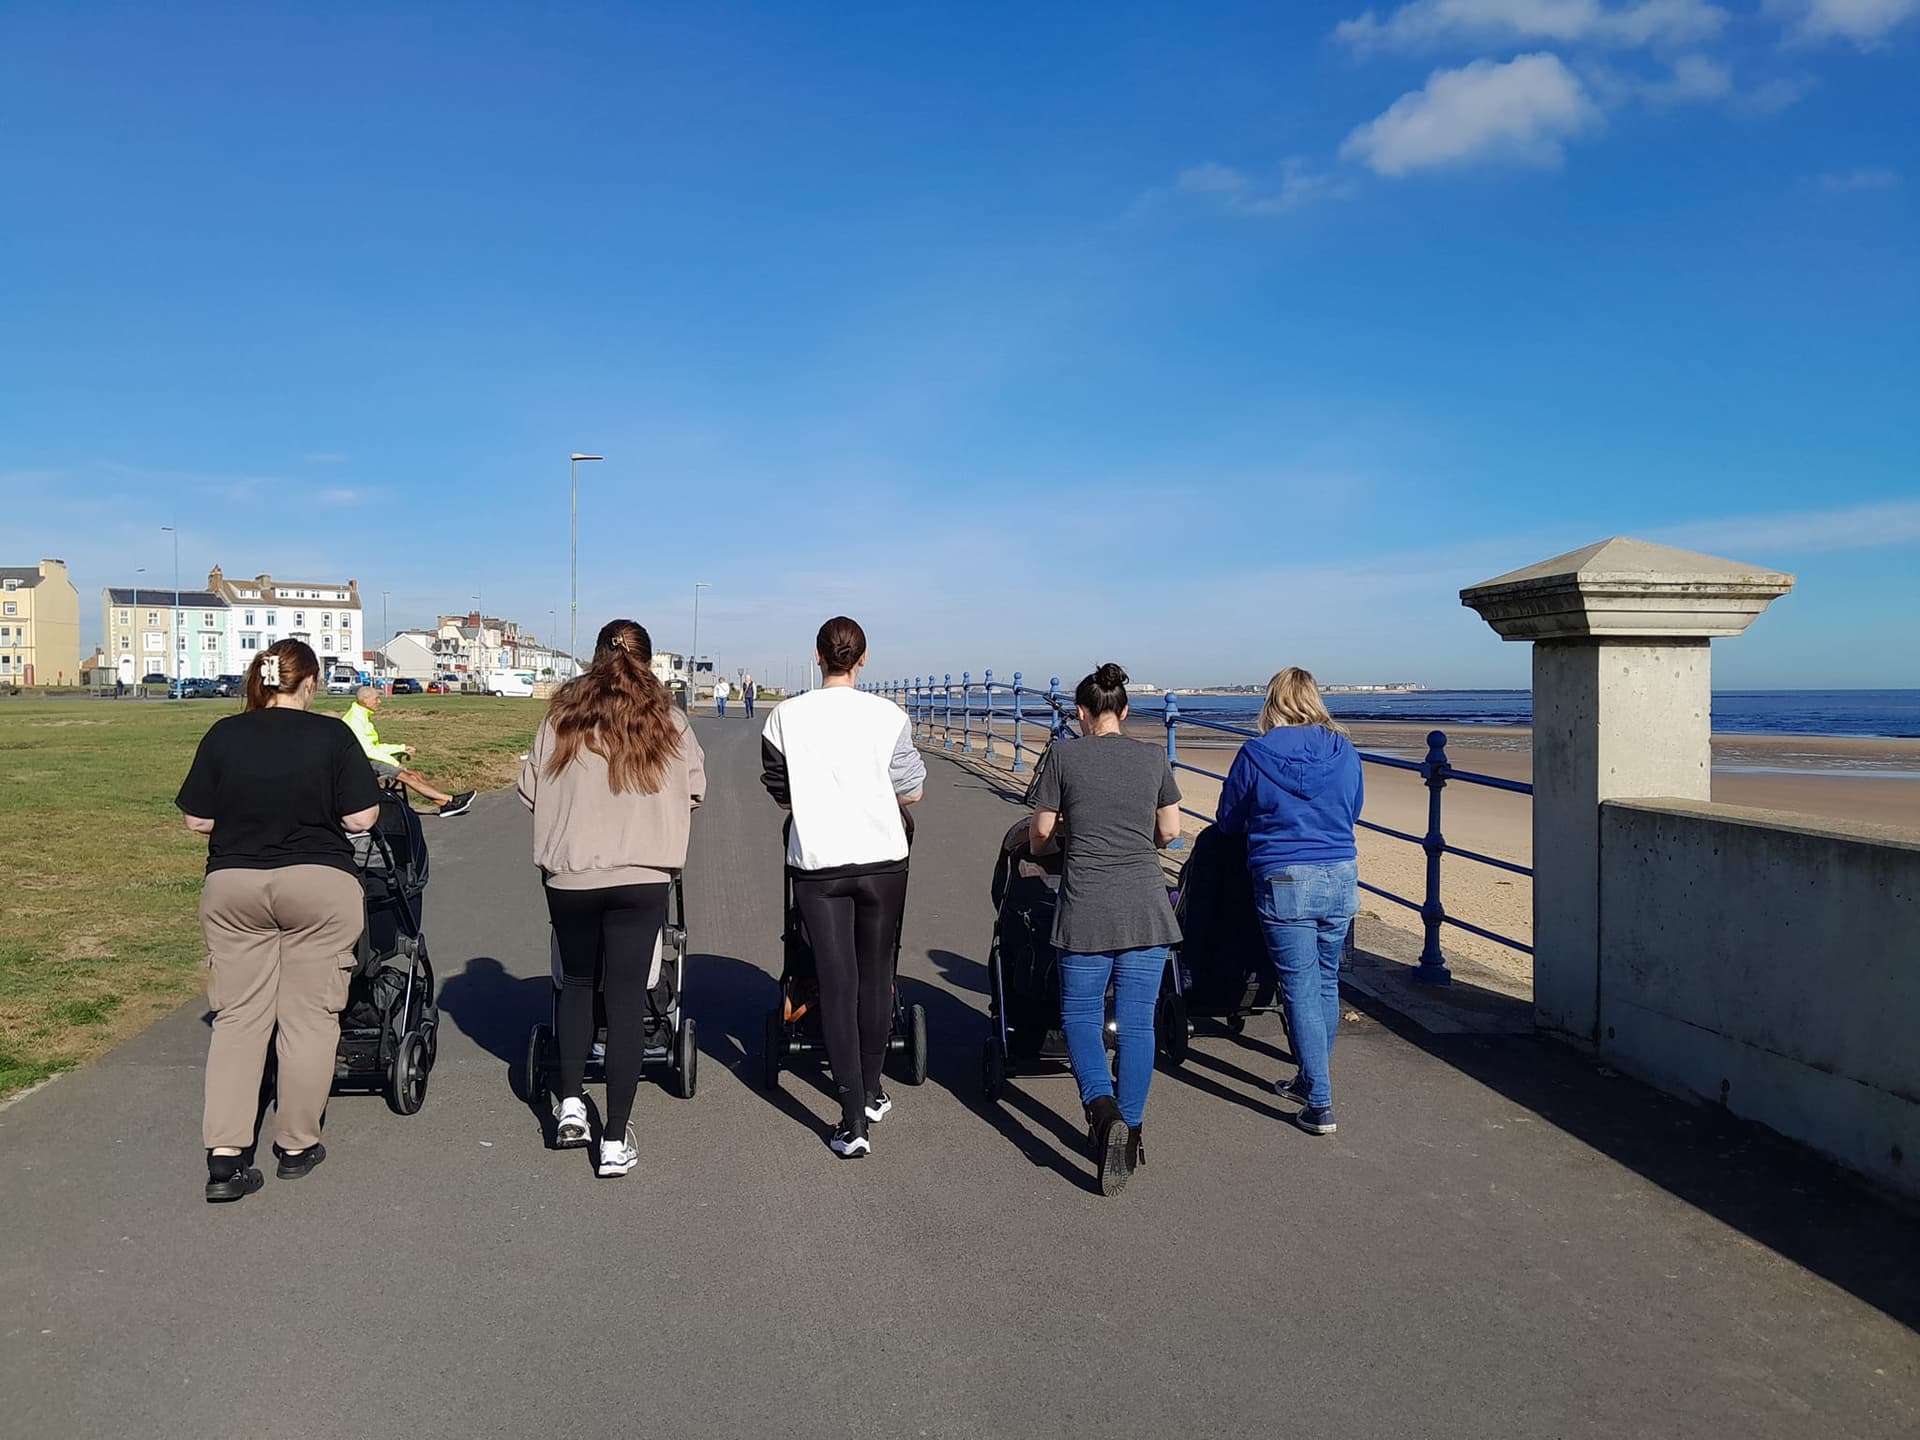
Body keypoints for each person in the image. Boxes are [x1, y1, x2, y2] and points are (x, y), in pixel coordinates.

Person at [176, 639, 383, 1203]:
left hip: (235, 884)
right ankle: (295, 1144)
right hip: (317, 883)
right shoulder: (331, 736)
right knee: (310, 1019)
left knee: (239, 1019)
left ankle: (225, 1155)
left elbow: (198, 819)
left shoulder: (224, 733)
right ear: (309, 684)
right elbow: (361, 817)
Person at [518, 620, 706, 1177]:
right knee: (625, 999)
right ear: (648, 661)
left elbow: (531, 790)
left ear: (595, 655)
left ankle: (571, 1102)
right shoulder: (668, 720)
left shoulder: (561, 716)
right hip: (642, 872)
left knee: (576, 984)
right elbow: (694, 788)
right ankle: (615, 1141)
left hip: (572, 871)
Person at [760, 616, 924, 1158]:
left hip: (820, 864)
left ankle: (853, 1122)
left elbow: (780, 791)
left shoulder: (785, 717)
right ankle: (873, 1091)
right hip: (884, 860)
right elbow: (913, 790)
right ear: (864, 658)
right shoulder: (889, 716)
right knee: (877, 977)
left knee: (836, 982)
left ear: (817, 655)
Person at [1028, 662, 1181, 1196]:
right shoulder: (1152, 756)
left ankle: (1101, 1109)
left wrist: (1060, 840)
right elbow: (1170, 831)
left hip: (1088, 907)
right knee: (1138, 1025)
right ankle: (1131, 1131)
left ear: (1081, 713)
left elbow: (1041, 833)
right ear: (1125, 710)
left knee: (1081, 1017)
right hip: (1146, 905)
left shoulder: (1064, 755)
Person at [1212, 667, 1363, 1138]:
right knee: (1325, 979)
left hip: (1285, 876)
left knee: (1298, 985)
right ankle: (1308, 1078)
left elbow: (1228, 820)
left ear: (1274, 702)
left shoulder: (1256, 753)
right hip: (1340, 872)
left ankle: (1319, 1101)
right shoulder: (1343, 749)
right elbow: (1353, 808)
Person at [343, 685, 475, 817]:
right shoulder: (355, 720)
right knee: (405, 775)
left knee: (414, 775)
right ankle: (449, 801)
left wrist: (401, 747)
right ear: (365, 700)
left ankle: (445, 803)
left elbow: (374, 746)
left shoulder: (362, 716)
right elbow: (368, 750)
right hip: (360, 764)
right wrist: (396, 764)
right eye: (376, 699)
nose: (380, 702)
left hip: (368, 759)